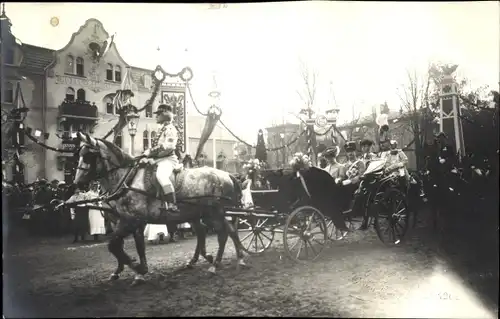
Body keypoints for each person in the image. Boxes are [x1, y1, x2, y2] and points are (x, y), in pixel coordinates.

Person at [141, 104, 179, 213]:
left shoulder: (171, 129)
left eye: (159, 114)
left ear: (165, 115)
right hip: (158, 159)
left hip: (168, 159)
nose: (156, 117)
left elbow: (168, 146)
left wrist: (150, 152)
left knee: (161, 176)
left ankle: (172, 203)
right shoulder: (161, 128)